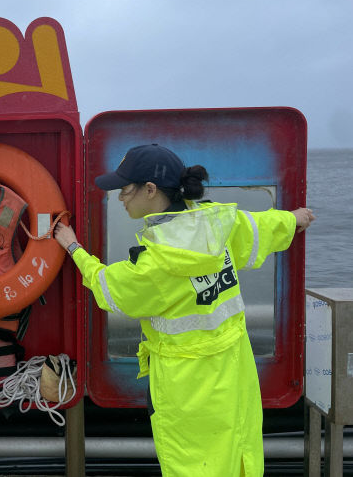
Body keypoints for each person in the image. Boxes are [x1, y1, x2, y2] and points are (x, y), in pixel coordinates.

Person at [53, 143, 315, 477]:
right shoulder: (218, 224)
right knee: (237, 449)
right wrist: (295, 219)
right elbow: (261, 226)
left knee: (190, 462)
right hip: (234, 369)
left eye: (125, 190)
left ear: (150, 190)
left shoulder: (155, 264)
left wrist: (73, 247)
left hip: (185, 384)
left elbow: (109, 288)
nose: (120, 198)